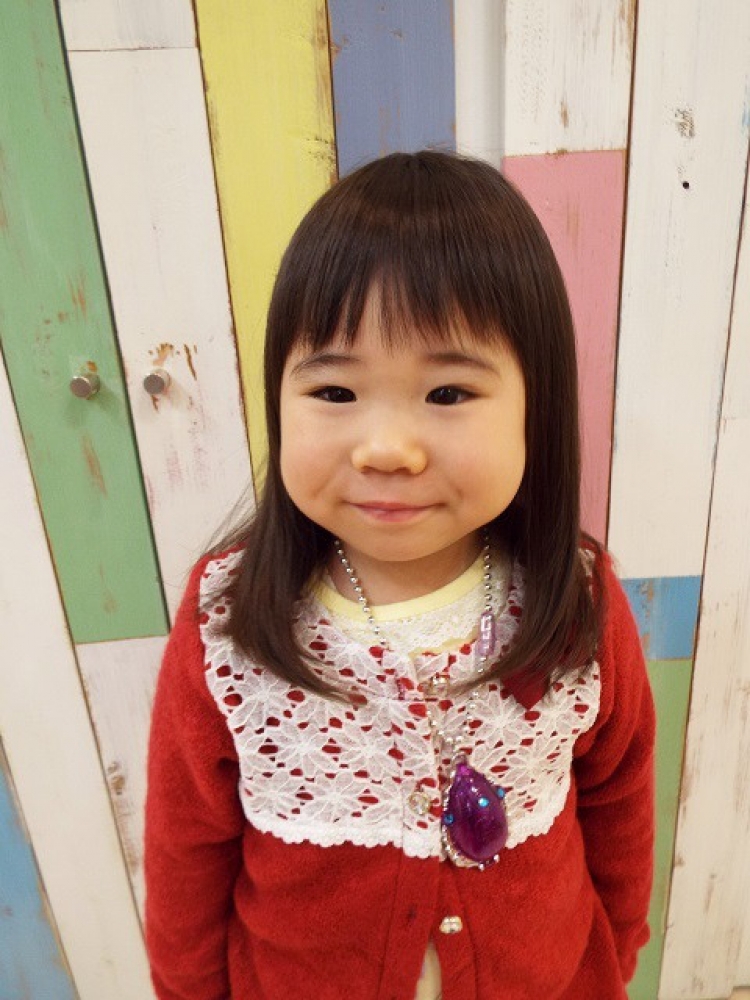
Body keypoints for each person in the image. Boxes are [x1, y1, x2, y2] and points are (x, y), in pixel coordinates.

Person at [144, 150, 655, 1000]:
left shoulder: (578, 600)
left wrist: (614, 961)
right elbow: (183, 855)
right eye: (335, 393)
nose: (386, 449)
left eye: (447, 393)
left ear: (537, 406)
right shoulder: (228, 621)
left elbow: (621, 808)